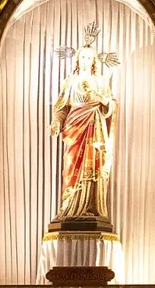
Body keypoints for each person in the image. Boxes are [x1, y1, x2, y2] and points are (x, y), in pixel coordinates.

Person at [50, 30, 118, 224]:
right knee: (72, 166)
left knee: (94, 166)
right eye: (83, 56)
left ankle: (90, 207)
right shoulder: (69, 82)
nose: (86, 60)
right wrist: (56, 122)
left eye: (89, 57)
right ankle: (70, 207)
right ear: (77, 60)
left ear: (94, 61)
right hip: (74, 128)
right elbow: (61, 107)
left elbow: (112, 105)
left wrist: (101, 99)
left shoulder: (100, 82)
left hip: (94, 128)